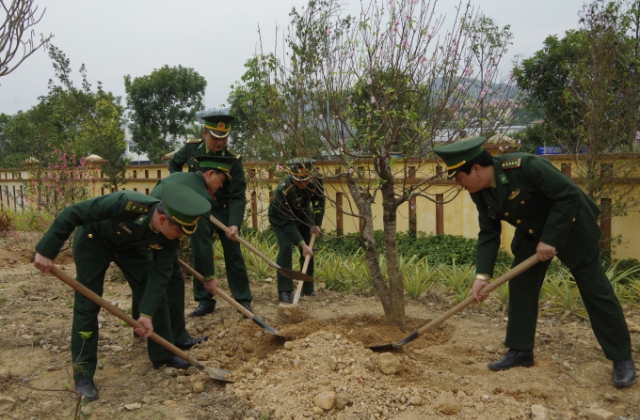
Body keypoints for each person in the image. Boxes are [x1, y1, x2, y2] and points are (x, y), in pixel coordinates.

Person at [434, 137, 636, 388]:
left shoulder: (524, 166)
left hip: (573, 227)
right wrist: (481, 277)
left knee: (595, 290)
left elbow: (568, 195)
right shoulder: (480, 191)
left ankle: (621, 358)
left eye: (458, 176)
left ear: (475, 169)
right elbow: (488, 233)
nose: (457, 183)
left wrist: (551, 239)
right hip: (532, 232)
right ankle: (520, 350)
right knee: (521, 285)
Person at [33, 184, 211, 401]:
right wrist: (46, 250)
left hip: (131, 248)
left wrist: (146, 314)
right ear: (163, 220)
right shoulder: (126, 203)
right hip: (94, 240)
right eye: (179, 232)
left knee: (155, 296)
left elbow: (159, 277)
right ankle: (83, 375)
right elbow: (73, 213)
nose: (180, 238)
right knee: (87, 304)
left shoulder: (169, 238)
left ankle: (162, 355)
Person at [168, 114, 252, 316]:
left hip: (223, 211)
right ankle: (205, 301)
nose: (220, 142)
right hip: (199, 208)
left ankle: (243, 299)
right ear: (205, 133)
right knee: (201, 251)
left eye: (224, 138)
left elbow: (238, 195)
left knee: (234, 254)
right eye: (215, 137)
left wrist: (234, 224)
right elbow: (174, 165)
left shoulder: (233, 159)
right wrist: (184, 186)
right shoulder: (191, 149)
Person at [149, 155, 237, 345]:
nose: (221, 187)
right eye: (220, 181)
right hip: (161, 234)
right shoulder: (201, 197)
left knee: (146, 280)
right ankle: (176, 338)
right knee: (173, 283)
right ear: (210, 174)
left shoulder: (181, 177)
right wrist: (208, 277)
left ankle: (143, 329)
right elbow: (201, 240)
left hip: (148, 229)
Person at [268, 158, 325, 303]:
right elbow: (288, 223)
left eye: (306, 180)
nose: (303, 184)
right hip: (281, 219)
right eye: (299, 181)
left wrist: (316, 223)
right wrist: (301, 244)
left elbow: (319, 201)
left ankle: (307, 288)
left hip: (304, 215)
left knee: (309, 250)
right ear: (292, 176)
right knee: (286, 246)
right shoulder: (283, 189)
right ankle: (285, 291)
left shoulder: (316, 180)